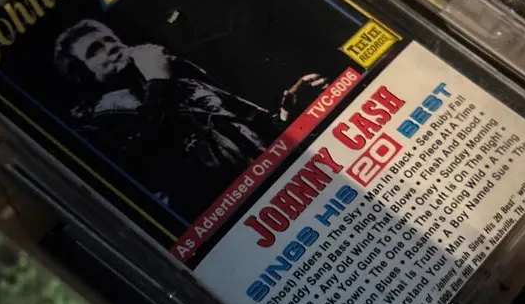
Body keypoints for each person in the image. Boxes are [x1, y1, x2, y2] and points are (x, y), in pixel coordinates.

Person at [52, 18, 325, 215]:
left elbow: (260, 125)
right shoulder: (95, 127)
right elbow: (152, 165)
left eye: (110, 39)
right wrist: (158, 80)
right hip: (240, 216)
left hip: (287, 186)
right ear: (84, 75)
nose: (111, 47)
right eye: (95, 50)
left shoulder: (178, 75)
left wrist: (289, 110)